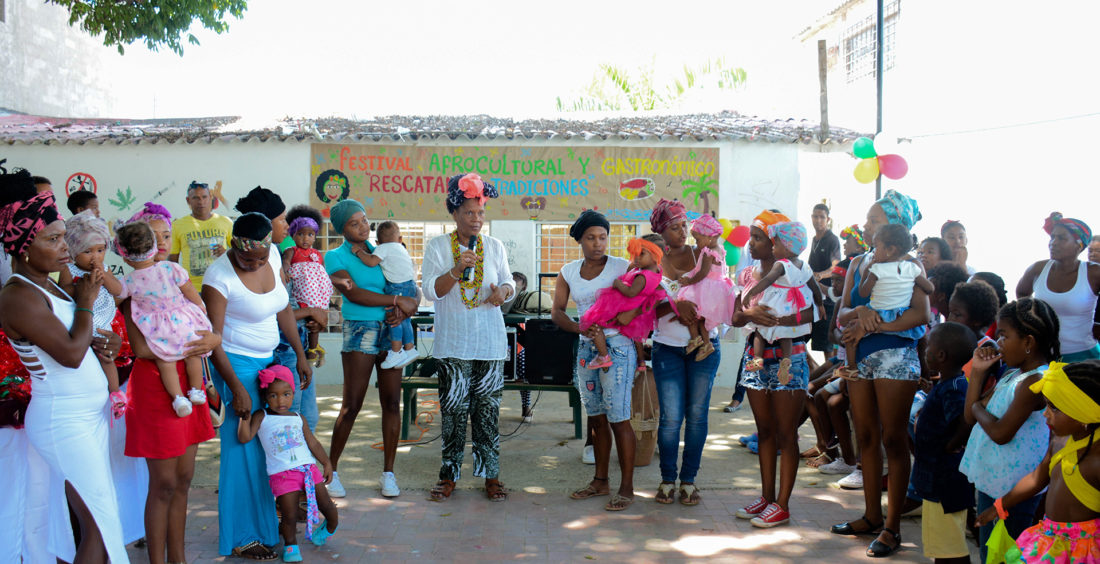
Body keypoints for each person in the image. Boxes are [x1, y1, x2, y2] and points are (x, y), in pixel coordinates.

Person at [0, 169, 127, 563]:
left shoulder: (51, 284)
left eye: (62, 237)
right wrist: (87, 303)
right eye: (52, 239)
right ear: (23, 246)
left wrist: (110, 343)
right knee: (101, 528)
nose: (64, 248)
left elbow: (83, 338)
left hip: (86, 416)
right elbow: (70, 354)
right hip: (62, 420)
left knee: (102, 524)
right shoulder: (18, 296)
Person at [203, 212, 313, 560]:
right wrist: (235, 388)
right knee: (241, 453)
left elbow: (282, 309)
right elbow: (213, 340)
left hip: (269, 364)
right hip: (235, 367)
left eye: (260, 258)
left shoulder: (275, 256)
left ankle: (267, 530)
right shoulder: (218, 276)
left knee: (267, 453)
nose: (254, 264)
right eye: (246, 258)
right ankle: (241, 536)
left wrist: (300, 354)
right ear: (233, 246)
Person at [831, 189, 931, 557]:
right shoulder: (859, 263)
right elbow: (842, 314)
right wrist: (859, 316)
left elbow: (921, 315)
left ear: (895, 226)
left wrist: (875, 326)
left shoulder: (912, 266)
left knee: (894, 440)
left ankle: (892, 528)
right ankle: (871, 515)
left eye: (875, 220)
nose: (868, 223)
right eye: (869, 218)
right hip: (860, 361)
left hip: (897, 358)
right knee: (867, 437)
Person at [120, 202, 219, 564]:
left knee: (184, 478)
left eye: (166, 235)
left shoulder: (174, 280)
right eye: (154, 236)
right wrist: (194, 340)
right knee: (162, 484)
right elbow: (142, 347)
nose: (161, 242)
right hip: (155, 387)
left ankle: (178, 558)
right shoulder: (133, 291)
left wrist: (213, 338)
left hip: (188, 385)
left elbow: (204, 324)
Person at [422, 173, 514, 503]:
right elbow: (431, 292)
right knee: (453, 412)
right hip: (453, 345)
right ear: (455, 214)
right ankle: (449, 477)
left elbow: (509, 283)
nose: (476, 220)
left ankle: (491, 475)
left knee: (487, 413)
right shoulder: (437, 247)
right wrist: (456, 269)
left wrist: (503, 292)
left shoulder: (495, 247)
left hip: (489, 345)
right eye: (469, 213)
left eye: (481, 213)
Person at [324, 199, 418, 499]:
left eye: (364, 220)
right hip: (361, 331)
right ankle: (331, 471)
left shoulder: (385, 249)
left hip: (392, 331)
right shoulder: (334, 257)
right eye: (355, 223)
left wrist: (404, 310)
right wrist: (394, 303)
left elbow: (408, 289)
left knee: (392, 403)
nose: (363, 227)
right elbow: (356, 293)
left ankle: (389, 474)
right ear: (342, 229)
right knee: (352, 405)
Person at [730, 209, 817, 528]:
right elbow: (735, 318)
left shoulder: (795, 273)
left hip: (789, 359)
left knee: (785, 433)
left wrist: (779, 320)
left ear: (775, 243)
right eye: (751, 236)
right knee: (764, 431)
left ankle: (782, 504)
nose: (750, 243)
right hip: (756, 358)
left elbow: (812, 314)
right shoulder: (751, 274)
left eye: (757, 237)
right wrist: (752, 315)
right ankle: (766, 498)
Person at [960, 297, 1057, 562]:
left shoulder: (1034, 381)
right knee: (991, 553)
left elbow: (1001, 433)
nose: (998, 343)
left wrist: (980, 407)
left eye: (1004, 336)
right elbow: (970, 416)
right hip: (993, 482)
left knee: (1008, 555)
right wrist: (978, 373)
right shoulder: (1012, 374)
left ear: (1028, 342)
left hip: (1016, 491)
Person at [553, 210, 638, 511]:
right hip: (586, 349)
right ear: (580, 240)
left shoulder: (621, 266)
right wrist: (579, 328)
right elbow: (558, 311)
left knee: (619, 417)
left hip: (616, 347)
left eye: (603, 237)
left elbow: (641, 299)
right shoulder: (568, 272)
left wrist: (618, 322)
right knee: (597, 418)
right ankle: (600, 481)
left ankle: (626, 487)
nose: (598, 243)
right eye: (591, 238)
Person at [976, 360, 1100, 563]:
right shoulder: (1060, 441)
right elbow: (1036, 479)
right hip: (1049, 539)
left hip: (1082, 551)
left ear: (1083, 413)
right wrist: (999, 505)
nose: (1045, 413)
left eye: (1054, 408)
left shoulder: (1096, 460)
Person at [647, 199, 723, 508]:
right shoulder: (653, 260)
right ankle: (667, 479)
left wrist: (697, 311)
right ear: (662, 232)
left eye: (684, 226)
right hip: (667, 348)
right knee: (670, 419)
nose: (682, 232)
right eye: (675, 228)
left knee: (696, 416)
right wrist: (676, 305)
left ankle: (689, 481)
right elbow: (646, 307)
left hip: (706, 347)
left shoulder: (703, 254)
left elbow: (719, 293)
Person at [236, 190, 324, 435]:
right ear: (266, 222)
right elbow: (275, 312)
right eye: (282, 219)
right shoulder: (258, 261)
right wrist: (310, 312)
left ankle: (304, 471)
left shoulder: (274, 253)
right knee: (289, 419)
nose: (287, 226)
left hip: (295, 344)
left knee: (309, 419)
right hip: (283, 349)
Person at [238, 365, 338, 562]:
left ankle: (331, 525)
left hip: (308, 469)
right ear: (265, 396)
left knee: (325, 504)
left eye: (286, 394)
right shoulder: (262, 416)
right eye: (273, 395)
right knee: (289, 514)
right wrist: (245, 418)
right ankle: (291, 546)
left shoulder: (298, 418)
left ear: (293, 394)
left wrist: (326, 463)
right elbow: (245, 437)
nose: (280, 400)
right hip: (283, 475)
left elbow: (313, 442)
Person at [116, 221, 213, 417]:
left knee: (165, 360)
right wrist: (201, 307)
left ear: (125, 259)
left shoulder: (128, 281)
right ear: (153, 248)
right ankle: (195, 390)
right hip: (183, 322)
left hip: (158, 330)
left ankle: (178, 398)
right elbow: (189, 290)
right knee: (193, 354)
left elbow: (117, 299)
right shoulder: (171, 268)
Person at [912, 322, 977, 564]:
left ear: (940, 355)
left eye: (928, 346)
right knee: (945, 545)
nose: (925, 350)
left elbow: (964, 421)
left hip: (943, 481)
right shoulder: (948, 384)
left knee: (950, 549)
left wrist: (951, 445)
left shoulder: (954, 388)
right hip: (939, 481)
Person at [839, 223, 932, 375]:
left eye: (873, 219)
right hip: (897, 314)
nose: (866, 225)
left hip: (883, 326)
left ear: (890, 249)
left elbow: (863, 292)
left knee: (851, 335)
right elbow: (929, 288)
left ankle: (851, 369)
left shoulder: (877, 268)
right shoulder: (911, 269)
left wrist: (868, 272)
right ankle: (851, 369)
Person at [59, 210, 127, 418]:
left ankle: (115, 394)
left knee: (106, 356)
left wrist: (104, 277)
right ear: (73, 251)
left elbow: (118, 290)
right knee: (91, 356)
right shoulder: (68, 269)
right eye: (87, 252)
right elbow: (65, 292)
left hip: (103, 320)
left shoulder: (104, 268)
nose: (95, 257)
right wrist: (84, 286)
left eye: (100, 250)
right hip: (82, 320)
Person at [741, 221, 823, 383]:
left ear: (786, 247)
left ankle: (757, 358)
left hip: (777, 303)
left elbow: (767, 281)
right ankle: (786, 361)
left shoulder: (781, 264)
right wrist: (819, 304)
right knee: (786, 334)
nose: (773, 247)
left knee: (759, 329)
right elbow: (815, 288)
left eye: (776, 244)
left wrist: (751, 292)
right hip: (792, 306)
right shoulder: (805, 266)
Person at [1017, 212, 1100, 362]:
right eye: (1052, 237)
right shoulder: (1038, 269)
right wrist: (1031, 321)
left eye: (1061, 238)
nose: (1053, 243)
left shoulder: (1093, 272)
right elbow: (1022, 294)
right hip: (1043, 355)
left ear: (1079, 245)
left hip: (1083, 355)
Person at [578, 238, 665, 369]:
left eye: (641, 254)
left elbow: (631, 292)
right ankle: (641, 362)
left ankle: (603, 356)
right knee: (636, 337)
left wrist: (618, 284)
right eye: (634, 254)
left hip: (623, 304)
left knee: (593, 323)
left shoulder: (642, 276)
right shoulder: (657, 272)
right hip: (636, 310)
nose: (636, 258)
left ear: (655, 255)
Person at [354, 220, 420, 370]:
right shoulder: (401, 249)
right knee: (405, 319)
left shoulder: (383, 248)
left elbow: (371, 262)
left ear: (377, 242)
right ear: (400, 239)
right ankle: (410, 348)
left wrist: (359, 252)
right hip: (410, 286)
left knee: (394, 318)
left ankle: (396, 351)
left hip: (397, 287)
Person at [676, 214, 734, 361]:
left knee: (695, 312)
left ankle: (697, 339)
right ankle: (705, 343)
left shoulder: (709, 252)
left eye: (698, 239)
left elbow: (702, 273)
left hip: (707, 287)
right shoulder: (719, 249)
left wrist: (689, 282)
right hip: (717, 288)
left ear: (710, 237)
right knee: (702, 317)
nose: (696, 242)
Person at [282, 206, 334, 367]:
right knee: (310, 318)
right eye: (301, 234)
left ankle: (313, 347)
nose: (305, 238)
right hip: (303, 291)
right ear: (293, 234)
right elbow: (286, 262)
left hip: (317, 291)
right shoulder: (291, 250)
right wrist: (285, 270)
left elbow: (323, 272)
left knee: (315, 322)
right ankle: (311, 349)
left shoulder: (317, 254)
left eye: (310, 234)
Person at [171, 180, 232, 292]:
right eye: (195, 198)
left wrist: (226, 253)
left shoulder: (226, 222)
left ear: (211, 198)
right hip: (191, 289)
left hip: (222, 285)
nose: (201, 201)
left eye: (204, 197)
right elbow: (172, 261)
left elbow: (239, 254)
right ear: (188, 200)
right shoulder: (177, 225)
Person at [809, 204, 842, 356]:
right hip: (813, 300)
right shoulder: (814, 239)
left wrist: (820, 275)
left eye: (822, 217)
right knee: (800, 339)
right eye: (815, 216)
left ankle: (827, 379)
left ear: (828, 219)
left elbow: (835, 267)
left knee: (826, 348)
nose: (818, 220)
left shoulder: (832, 240)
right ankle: (815, 373)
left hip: (828, 301)